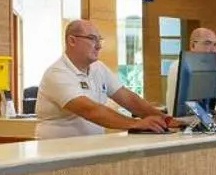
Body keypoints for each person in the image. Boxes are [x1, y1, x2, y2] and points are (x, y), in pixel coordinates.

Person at [35, 19, 175, 138]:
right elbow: (90, 110)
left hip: (91, 151)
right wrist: (136, 123)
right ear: (72, 41)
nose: (99, 46)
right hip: (57, 155)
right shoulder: (57, 73)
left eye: (99, 39)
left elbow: (128, 98)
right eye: (92, 39)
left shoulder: (98, 68)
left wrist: (167, 120)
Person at [161, 26, 216, 124]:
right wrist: (212, 124)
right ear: (193, 45)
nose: (213, 49)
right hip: (185, 128)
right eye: (207, 43)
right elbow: (193, 105)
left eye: (215, 45)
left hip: (211, 127)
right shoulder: (179, 67)